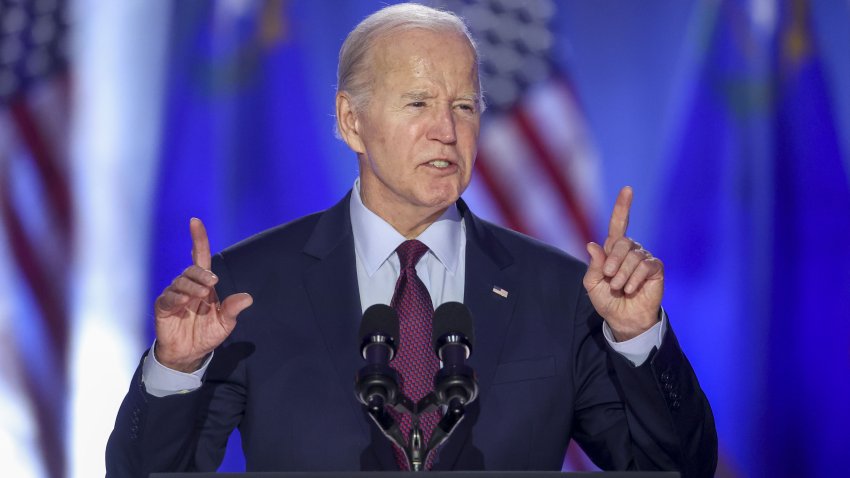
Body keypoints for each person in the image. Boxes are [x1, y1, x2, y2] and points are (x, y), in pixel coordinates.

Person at [106, 3, 717, 477]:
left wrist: (639, 338)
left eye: (464, 106)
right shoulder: (252, 289)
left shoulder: (556, 292)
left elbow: (674, 468)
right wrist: (176, 371)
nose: (446, 131)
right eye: (419, 102)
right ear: (352, 122)